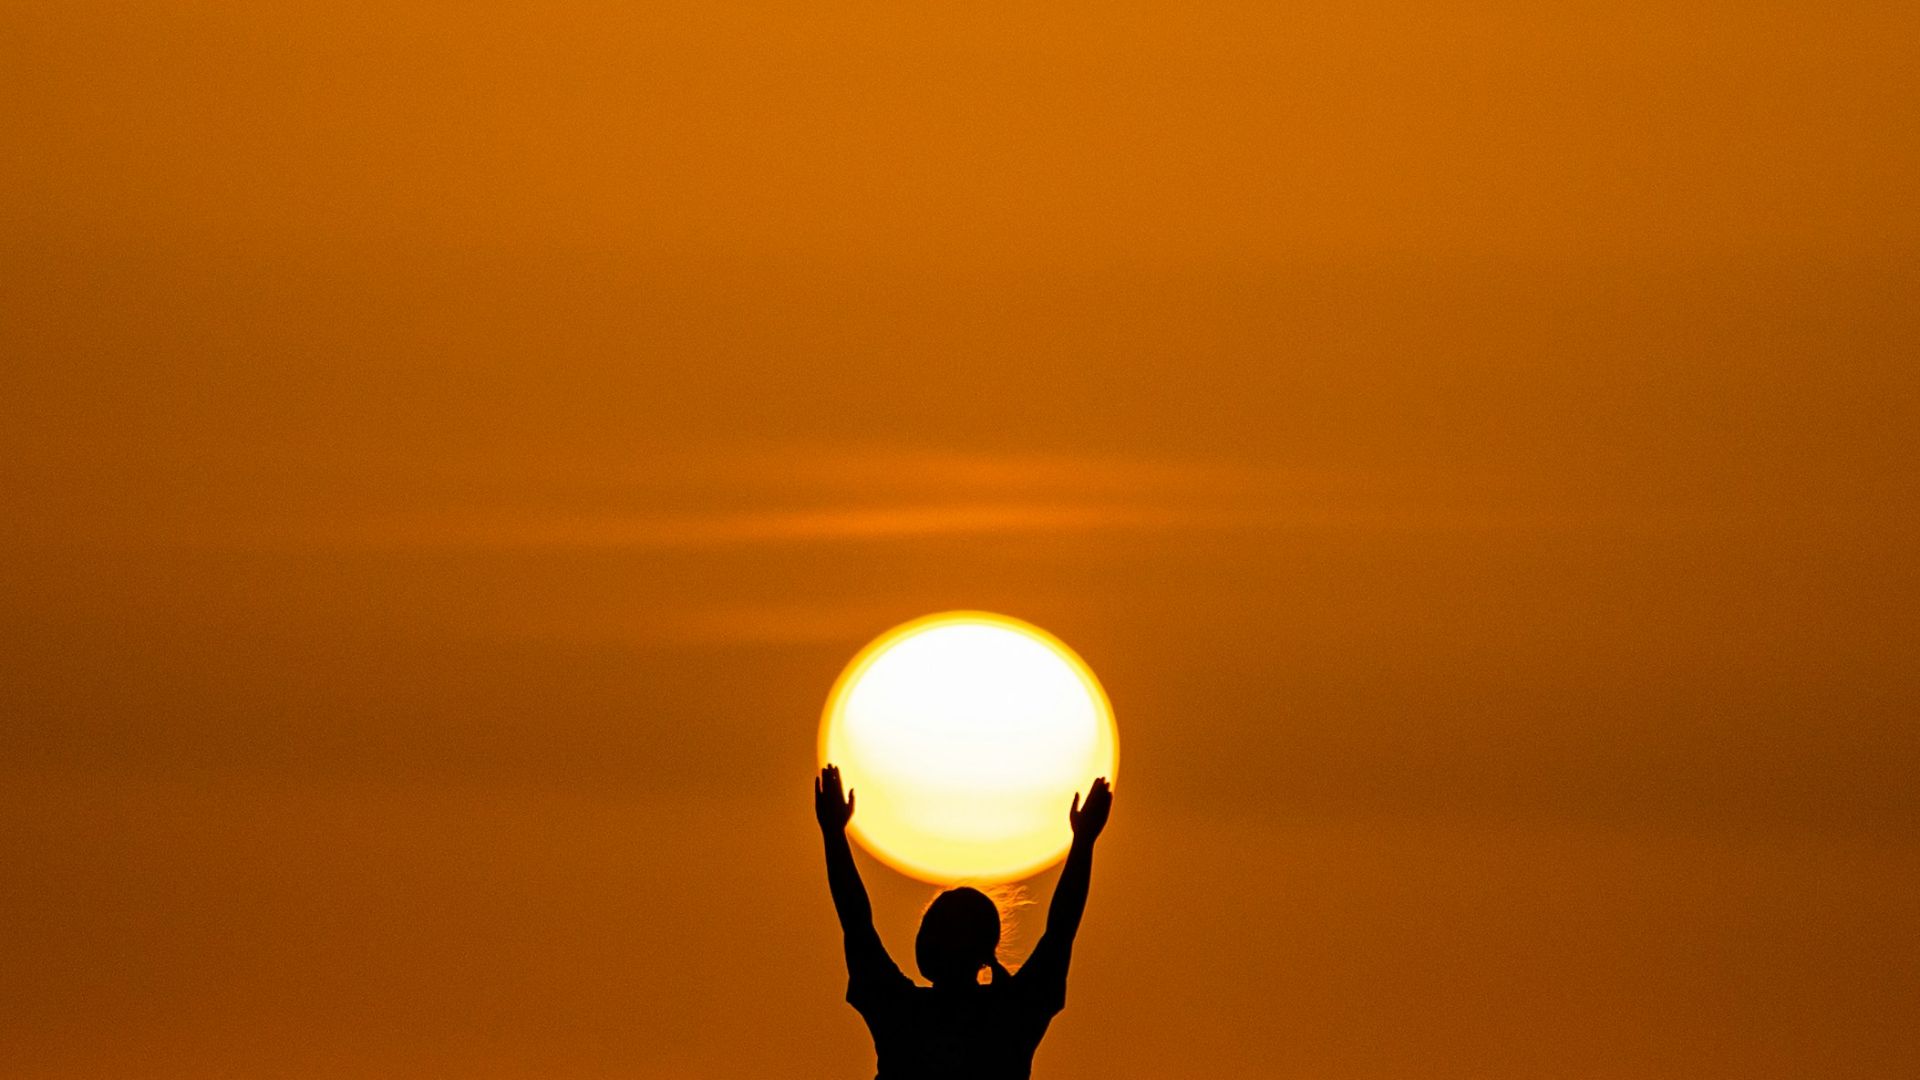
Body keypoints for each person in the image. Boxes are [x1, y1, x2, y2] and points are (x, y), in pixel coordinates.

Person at [814, 763, 1114, 1080]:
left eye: (935, 927)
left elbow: (856, 923)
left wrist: (834, 836)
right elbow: (1060, 933)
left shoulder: (901, 1013)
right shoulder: (1012, 1015)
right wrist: (1083, 842)